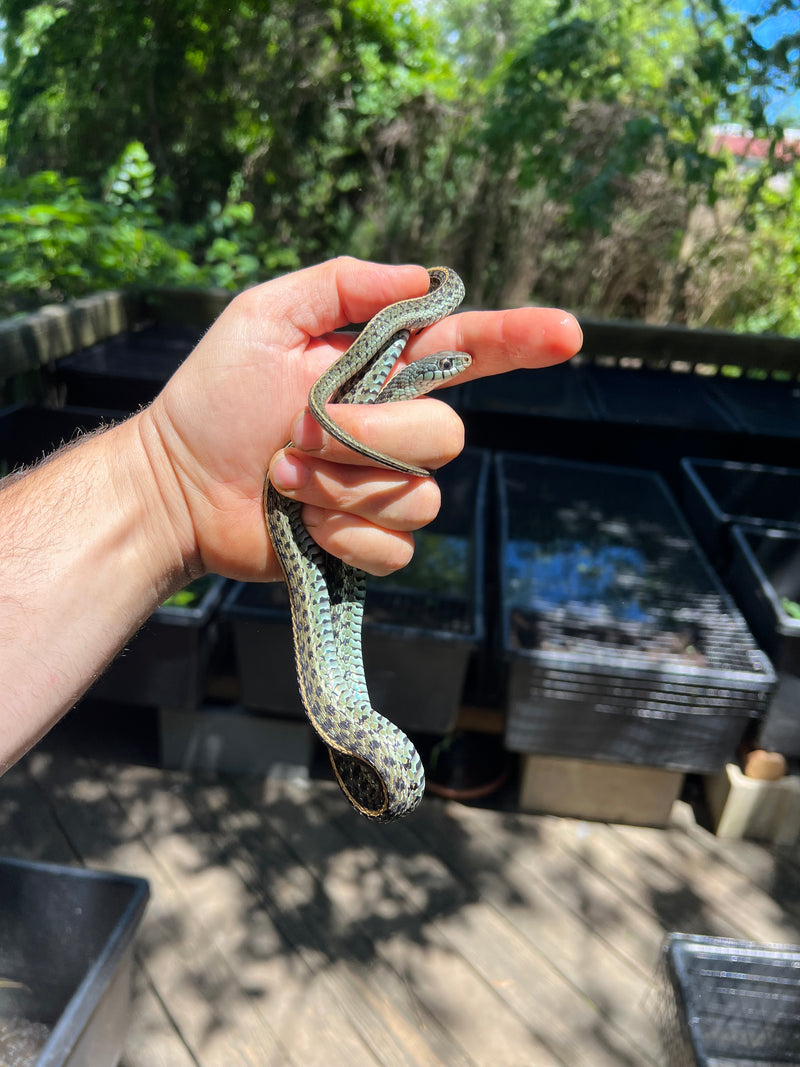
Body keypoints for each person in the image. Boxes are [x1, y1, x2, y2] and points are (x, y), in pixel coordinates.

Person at [0, 257, 582, 772]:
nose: (449, 369)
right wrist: (170, 480)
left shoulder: (399, 345)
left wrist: (166, 493)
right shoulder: (384, 345)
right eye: (443, 370)